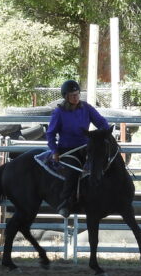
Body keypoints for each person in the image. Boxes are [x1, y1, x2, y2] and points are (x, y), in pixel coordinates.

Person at [46, 79, 110, 217]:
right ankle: (64, 203)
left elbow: (101, 122)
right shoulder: (59, 112)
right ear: (65, 96)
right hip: (68, 151)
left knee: (98, 166)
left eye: (77, 94)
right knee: (73, 170)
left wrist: (106, 133)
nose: (75, 97)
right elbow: (50, 133)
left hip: (85, 148)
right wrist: (54, 150)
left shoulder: (86, 108)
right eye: (72, 95)